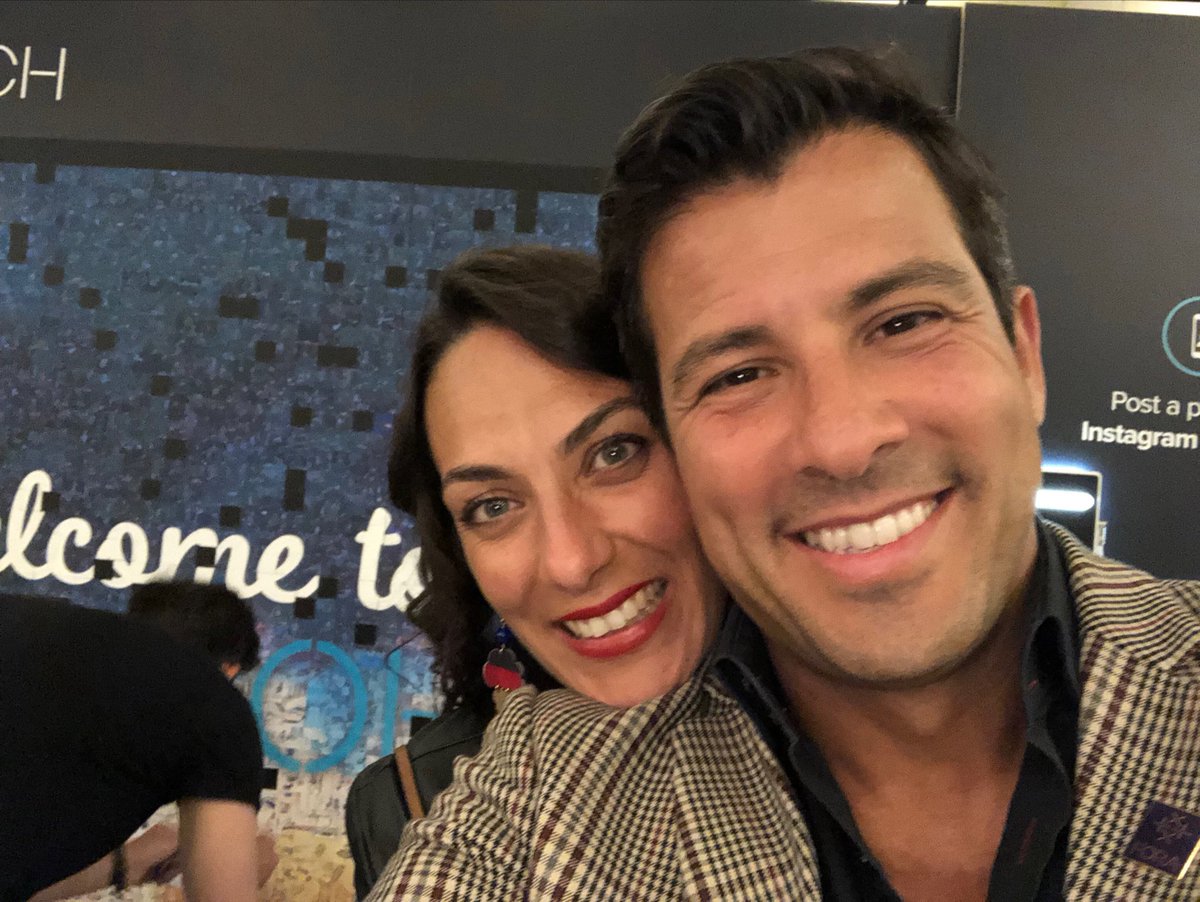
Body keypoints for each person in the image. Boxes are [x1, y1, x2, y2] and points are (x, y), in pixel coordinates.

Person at [368, 48, 1200, 901]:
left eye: (903, 322)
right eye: (738, 375)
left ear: (1023, 353)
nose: (841, 440)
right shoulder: (544, 797)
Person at [345, 245, 726, 896]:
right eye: (493, 506)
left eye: (614, 453)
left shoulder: (864, 723)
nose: (571, 562)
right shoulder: (418, 804)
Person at [0, 585, 266, 902]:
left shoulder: (40, 639)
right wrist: (247, 869)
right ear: (230, 669)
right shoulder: (215, 703)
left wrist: (128, 862)